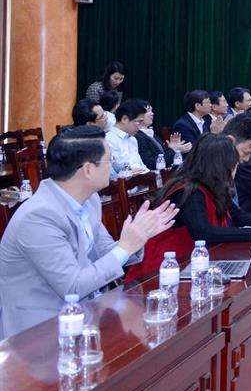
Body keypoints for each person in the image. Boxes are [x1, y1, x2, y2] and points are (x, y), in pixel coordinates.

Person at [0, 127, 178, 338]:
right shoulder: (38, 218)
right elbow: (73, 287)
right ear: (88, 169)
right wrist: (125, 247)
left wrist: (139, 237)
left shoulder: (89, 200)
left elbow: (104, 250)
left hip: (85, 315)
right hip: (38, 333)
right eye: (109, 160)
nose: (113, 166)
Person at [125, 135, 251, 282]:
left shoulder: (213, 186)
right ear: (220, 166)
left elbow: (240, 217)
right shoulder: (189, 191)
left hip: (195, 264)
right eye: (234, 164)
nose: (235, 169)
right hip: (163, 271)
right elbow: (204, 233)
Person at [134, 100, 191, 169]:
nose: (152, 114)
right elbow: (150, 163)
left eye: (152, 111)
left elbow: (164, 156)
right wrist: (174, 151)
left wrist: (172, 148)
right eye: (148, 111)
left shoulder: (153, 135)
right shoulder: (137, 136)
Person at [106, 100, 151, 176]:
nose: (140, 127)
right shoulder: (108, 140)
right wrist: (129, 172)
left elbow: (141, 166)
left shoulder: (133, 139)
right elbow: (112, 174)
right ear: (124, 119)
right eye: (138, 122)